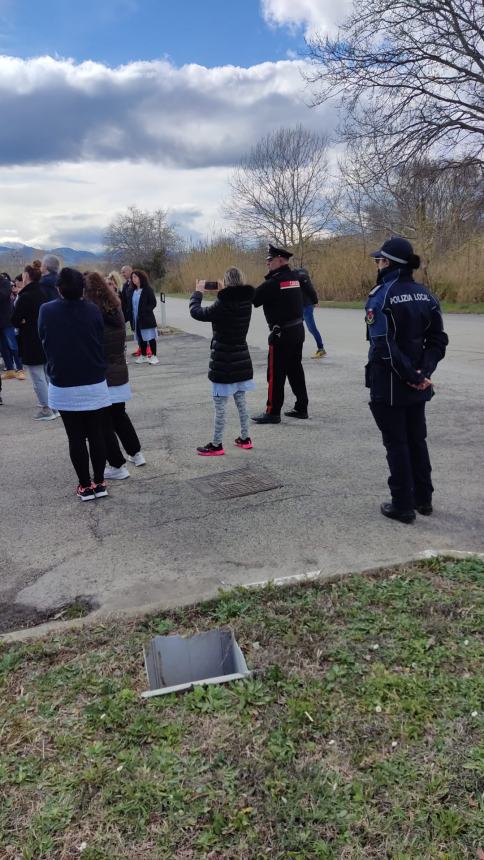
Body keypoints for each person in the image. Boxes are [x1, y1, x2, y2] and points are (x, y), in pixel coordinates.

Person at [365, 237, 448, 524]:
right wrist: (423, 373)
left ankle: (402, 504)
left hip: (390, 384)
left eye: (379, 260)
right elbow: (438, 340)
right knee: (416, 439)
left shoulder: (381, 295)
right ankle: (423, 498)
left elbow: (382, 346)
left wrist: (414, 376)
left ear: (386, 262)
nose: (377, 264)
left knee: (397, 443)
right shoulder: (426, 294)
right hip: (416, 381)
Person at [38, 267, 111, 501]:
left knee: (76, 437)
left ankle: (84, 486)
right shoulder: (93, 310)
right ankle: (100, 482)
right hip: (94, 381)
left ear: (58, 288)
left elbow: (43, 338)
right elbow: (100, 339)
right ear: (83, 288)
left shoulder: (47, 311)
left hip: (63, 382)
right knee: (97, 435)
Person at [84, 272, 146, 479]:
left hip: (101, 373)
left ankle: (117, 465)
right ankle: (136, 453)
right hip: (119, 370)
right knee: (120, 415)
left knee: (104, 423)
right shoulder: (116, 308)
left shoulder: (91, 312)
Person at [189, 267, 255, 455]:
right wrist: (223, 293)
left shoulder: (223, 304)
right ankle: (245, 437)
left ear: (226, 281)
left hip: (223, 360)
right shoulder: (246, 301)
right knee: (241, 401)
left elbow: (197, 312)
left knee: (220, 405)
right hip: (242, 358)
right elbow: (229, 304)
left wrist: (198, 292)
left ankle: (217, 444)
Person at [252, 244, 309, 424]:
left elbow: (254, 298)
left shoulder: (274, 282)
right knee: (295, 370)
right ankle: (302, 407)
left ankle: (273, 411)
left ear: (280, 260)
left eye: (270, 259)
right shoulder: (294, 277)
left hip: (282, 334)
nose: (267, 263)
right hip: (298, 330)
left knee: (275, 374)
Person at [11, 264, 59, 420]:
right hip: (46, 336)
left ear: (27, 276)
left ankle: (46, 408)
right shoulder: (44, 291)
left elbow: (15, 319)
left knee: (37, 375)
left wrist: (23, 321)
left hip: (31, 339)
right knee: (46, 373)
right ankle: (55, 406)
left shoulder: (25, 296)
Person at [293, 266, 327, 358]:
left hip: (307, 306)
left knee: (311, 328)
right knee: (295, 327)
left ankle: (321, 349)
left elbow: (311, 290)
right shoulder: (297, 277)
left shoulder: (302, 277)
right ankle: (294, 349)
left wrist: (315, 301)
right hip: (301, 306)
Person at [127, 270, 159, 365]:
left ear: (141, 278)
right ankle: (144, 356)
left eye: (135, 277)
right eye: (132, 277)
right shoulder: (132, 291)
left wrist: (145, 311)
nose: (133, 279)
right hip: (136, 319)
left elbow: (153, 303)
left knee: (150, 337)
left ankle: (154, 356)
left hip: (146, 318)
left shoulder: (147, 289)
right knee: (140, 338)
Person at [120, 265, 152, 358]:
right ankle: (141, 348)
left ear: (130, 271)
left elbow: (151, 301)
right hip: (131, 313)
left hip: (142, 314)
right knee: (136, 332)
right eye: (121, 272)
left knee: (144, 331)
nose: (122, 274)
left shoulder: (141, 284)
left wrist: (145, 311)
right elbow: (124, 300)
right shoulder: (126, 284)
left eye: (124, 272)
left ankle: (148, 349)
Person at [0, 272, 25, 381]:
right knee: (3, 348)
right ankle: (10, 370)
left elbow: (3, 296)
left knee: (13, 346)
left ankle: (20, 369)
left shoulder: (5, 283)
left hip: (7, 320)